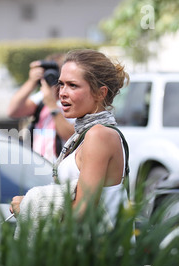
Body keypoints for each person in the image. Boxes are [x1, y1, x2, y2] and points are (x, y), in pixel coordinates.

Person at [10, 49, 130, 233]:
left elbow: (83, 211)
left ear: (100, 93)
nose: (62, 93)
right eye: (61, 84)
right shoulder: (87, 133)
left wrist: (27, 209)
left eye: (73, 85)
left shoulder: (99, 135)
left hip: (96, 257)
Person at [7, 53, 75, 162]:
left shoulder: (74, 102)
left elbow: (71, 138)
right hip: (37, 166)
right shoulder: (42, 98)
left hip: (60, 168)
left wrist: (52, 105)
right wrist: (32, 81)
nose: (54, 76)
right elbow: (13, 111)